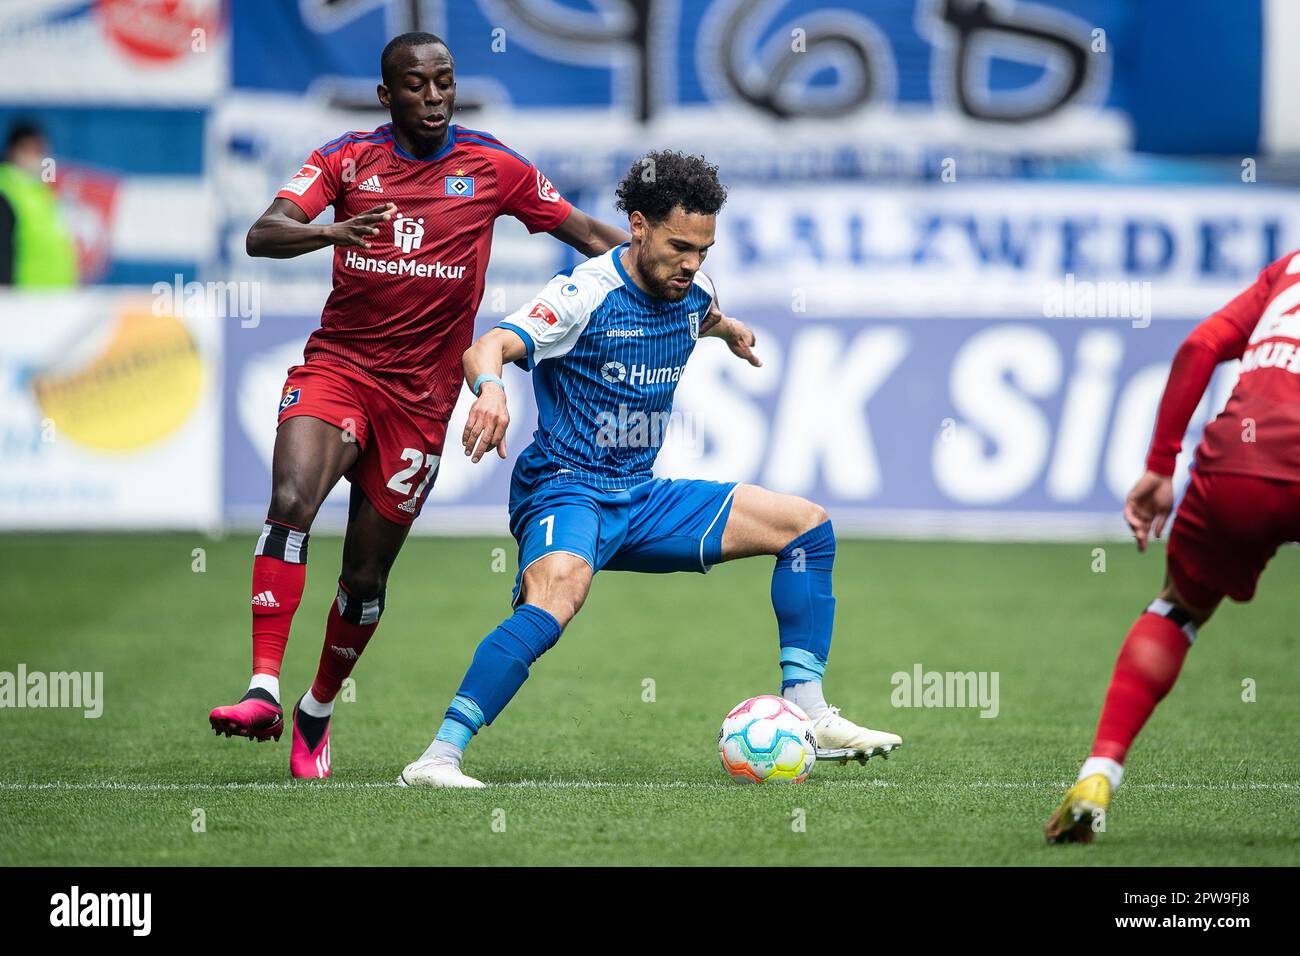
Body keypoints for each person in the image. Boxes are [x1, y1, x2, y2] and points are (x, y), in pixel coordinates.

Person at [208, 32, 645, 779]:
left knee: (365, 579)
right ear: (387, 96)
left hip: (421, 403)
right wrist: (331, 233)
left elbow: (586, 235)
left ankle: (315, 709)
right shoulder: (346, 159)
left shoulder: (493, 166)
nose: (435, 96)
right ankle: (262, 687)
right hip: (339, 371)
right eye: (416, 85)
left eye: (444, 81)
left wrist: (665, 276)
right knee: (291, 499)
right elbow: (261, 234)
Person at [398, 150, 902, 788]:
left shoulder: (692, 293)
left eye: (704, 251)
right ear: (637, 226)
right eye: (679, 246)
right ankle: (438, 757)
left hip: (639, 495)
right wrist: (493, 389)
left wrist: (730, 331)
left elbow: (705, 315)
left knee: (805, 527)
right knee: (558, 596)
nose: (691, 264)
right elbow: (488, 346)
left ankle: (808, 707)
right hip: (565, 488)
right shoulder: (583, 295)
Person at [1046, 249, 1300, 842]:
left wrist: (1161, 467)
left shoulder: (1290, 266)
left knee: (1180, 607)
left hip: (1242, 461)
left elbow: (1199, 347)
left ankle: (1099, 770)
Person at [0, 120, 78, 287]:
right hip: (22, 299)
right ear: (13, 151)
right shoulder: (5, 190)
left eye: (40, 150)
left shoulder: (41, 190)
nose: (38, 157)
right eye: (30, 150)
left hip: (52, 297)